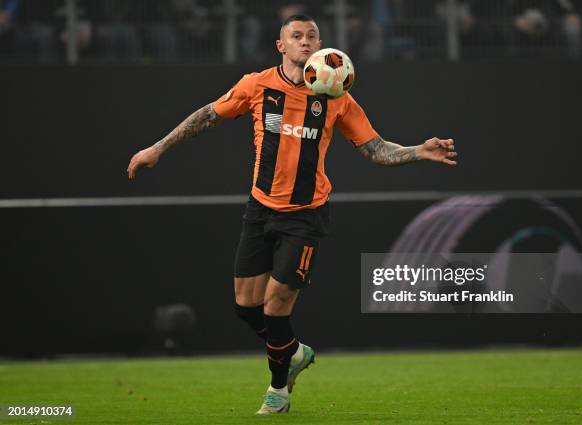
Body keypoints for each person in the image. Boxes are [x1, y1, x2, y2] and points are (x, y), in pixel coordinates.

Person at [127, 14, 457, 415]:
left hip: (305, 215)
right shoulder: (257, 85)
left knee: (276, 304)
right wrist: (158, 148)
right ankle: (295, 353)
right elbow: (207, 115)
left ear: (320, 45)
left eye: (311, 36)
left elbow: (375, 149)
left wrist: (418, 151)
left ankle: (278, 390)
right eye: (296, 36)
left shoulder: (336, 95)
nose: (305, 41)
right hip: (260, 209)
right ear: (281, 46)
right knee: (246, 308)